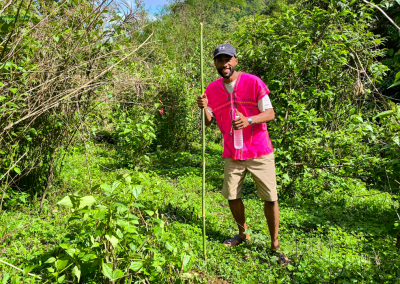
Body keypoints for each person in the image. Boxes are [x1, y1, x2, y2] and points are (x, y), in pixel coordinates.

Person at [197, 44, 289, 264]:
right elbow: (208, 122)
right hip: (232, 152)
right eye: (220, 60)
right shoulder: (211, 89)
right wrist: (203, 108)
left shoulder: (253, 81)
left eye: (228, 59)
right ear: (215, 64)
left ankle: (275, 245)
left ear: (236, 60)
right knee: (232, 195)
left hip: (259, 149)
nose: (224, 64)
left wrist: (249, 120)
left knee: (270, 197)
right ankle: (242, 233)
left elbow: (270, 113)